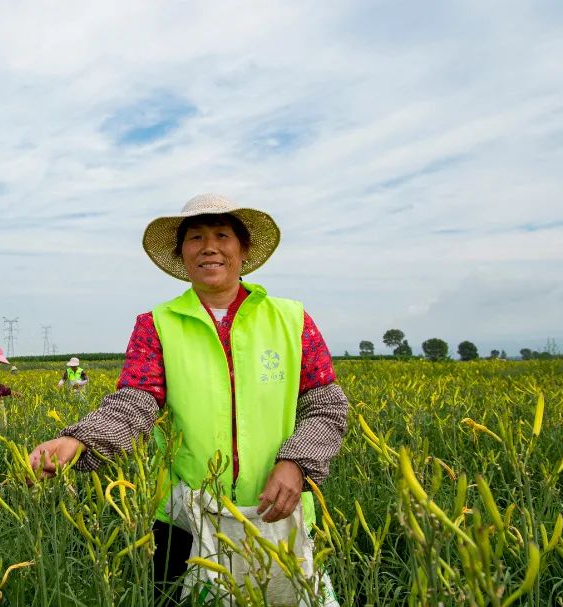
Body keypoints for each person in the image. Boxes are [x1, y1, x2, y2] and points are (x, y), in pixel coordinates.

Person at [27, 194, 348, 603]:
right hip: (186, 516)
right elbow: (137, 400)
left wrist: (296, 462)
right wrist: (81, 440)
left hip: (278, 508)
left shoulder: (292, 319)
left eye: (222, 235)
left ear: (243, 249)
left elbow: (325, 404)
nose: (209, 246)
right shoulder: (156, 324)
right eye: (195, 237)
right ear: (181, 254)